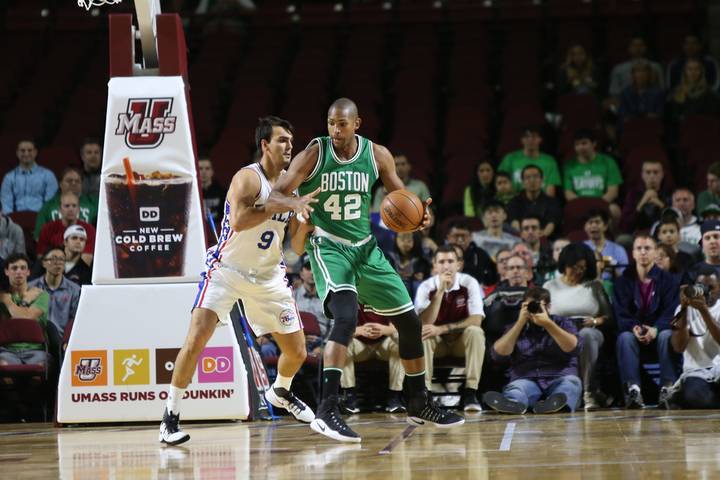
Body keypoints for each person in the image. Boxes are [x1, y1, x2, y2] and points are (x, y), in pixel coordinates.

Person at [268, 98, 464, 443]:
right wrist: (295, 202)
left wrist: (419, 216)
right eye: (330, 123)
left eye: (342, 124)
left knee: (410, 322)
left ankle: (418, 402)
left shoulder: (377, 155)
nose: (335, 130)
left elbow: (400, 196)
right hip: (328, 247)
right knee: (345, 318)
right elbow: (273, 195)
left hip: (366, 249)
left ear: (357, 124)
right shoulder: (315, 152)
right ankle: (328, 410)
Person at [158, 116, 321, 446]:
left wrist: (305, 223)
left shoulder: (294, 188)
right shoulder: (248, 178)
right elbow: (241, 220)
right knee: (196, 338)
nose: (289, 146)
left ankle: (281, 392)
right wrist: (286, 203)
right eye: (282, 141)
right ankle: (170, 417)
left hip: (268, 275)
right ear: (265, 145)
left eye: (291, 141)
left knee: (297, 351)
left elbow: (297, 246)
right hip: (227, 270)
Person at [483, 287, 583, 414]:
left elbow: (574, 348)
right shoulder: (515, 327)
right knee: (516, 389)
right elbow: (497, 355)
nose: (535, 310)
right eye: (530, 306)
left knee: (571, 384)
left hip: (559, 376)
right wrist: (520, 322)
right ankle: (514, 403)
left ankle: (557, 404)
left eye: (539, 306)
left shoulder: (563, 323)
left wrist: (548, 324)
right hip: (526, 377)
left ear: (549, 307)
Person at [415, 245, 486, 412]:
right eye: (441, 262)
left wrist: (442, 329)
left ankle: (470, 392)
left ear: (458, 265)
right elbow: (424, 322)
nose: (446, 266)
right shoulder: (426, 287)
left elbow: (476, 320)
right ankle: (426, 395)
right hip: (437, 344)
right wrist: (440, 292)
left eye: (450, 261)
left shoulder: (469, 283)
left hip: (460, 342)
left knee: (476, 332)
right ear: (434, 266)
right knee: (424, 334)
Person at [544, 243, 614, 410]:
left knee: (587, 336)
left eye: (583, 267)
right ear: (565, 264)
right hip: (559, 332)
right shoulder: (549, 286)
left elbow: (609, 317)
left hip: (590, 331)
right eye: (574, 267)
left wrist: (595, 322)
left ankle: (589, 392)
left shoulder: (594, 286)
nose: (579, 271)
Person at [615, 235, 679, 408]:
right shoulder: (622, 281)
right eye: (639, 248)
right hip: (634, 333)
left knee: (667, 335)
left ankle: (668, 389)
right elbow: (621, 313)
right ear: (633, 254)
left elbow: (672, 311)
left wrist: (655, 329)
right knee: (624, 338)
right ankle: (633, 391)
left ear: (655, 252)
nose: (643, 252)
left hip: (659, 332)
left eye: (647, 248)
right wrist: (634, 327)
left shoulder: (669, 280)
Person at [668, 266, 720, 408]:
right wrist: (684, 309)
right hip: (696, 371)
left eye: (712, 287)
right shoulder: (682, 310)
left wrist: (704, 311)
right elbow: (678, 347)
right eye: (703, 287)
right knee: (695, 396)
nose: (707, 291)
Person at [341, 309, 405, 413]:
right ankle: (349, 397)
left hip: (383, 343)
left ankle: (395, 397)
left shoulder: (386, 297)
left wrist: (384, 330)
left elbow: (398, 327)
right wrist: (359, 330)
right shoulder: (352, 297)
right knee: (343, 347)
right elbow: (341, 329)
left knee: (399, 347)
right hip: (360, 344)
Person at [0, 253, 50, 369]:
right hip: (7, 350)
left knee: (38, 370)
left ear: (28, 272)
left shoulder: (41, 295)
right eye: (14, 268)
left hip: (35, 349)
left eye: (23, 268)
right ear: (6, 271)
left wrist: (9, 303)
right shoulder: (2, 296)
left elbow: (26, 318)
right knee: (4, 371)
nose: (18, 272)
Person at [29, 247, 80, 360]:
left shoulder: (75, 290)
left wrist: (67, 340)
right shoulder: (31, 288)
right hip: (37, 339)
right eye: (53, 259)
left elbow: (75, 320)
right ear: (43, 263)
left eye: (61, 259)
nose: (58, 263)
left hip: (63, 341)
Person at [563, 129, 623, 224]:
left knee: (614, 210)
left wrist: (596, 205)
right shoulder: (569, 165)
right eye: (577, 144)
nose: (581, 147)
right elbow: (568, 194)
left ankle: (613, 237)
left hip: (602, 203)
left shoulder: (608, 162)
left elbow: (613, 192)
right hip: (579, 205)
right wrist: (584, 205)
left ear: (594, 143)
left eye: (584, 143)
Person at [34, 167, 98, 239]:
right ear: (60, 184)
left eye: (77, 181)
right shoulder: (48, 206)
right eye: (69, 181)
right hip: (56, 246)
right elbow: (39, 236)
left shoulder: (92, 203)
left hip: (85, 245)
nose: (73, 183)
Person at [498, 127, 561, 197]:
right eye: (527, 136)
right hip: (513, 202)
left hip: (540, 204)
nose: (530, 140)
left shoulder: (549, 161)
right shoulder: (509, 159)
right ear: (522, 140)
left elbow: (550, 193)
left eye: (534, 136)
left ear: (540, 139)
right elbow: (500, 184)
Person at [36, 192, 96, 265]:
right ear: (60, 209)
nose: (71, 209)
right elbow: (41, 256)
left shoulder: (89, 230)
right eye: (67, 206)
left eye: (74, 206)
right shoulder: (48, 228)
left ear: (78, 209)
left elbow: (87, 259)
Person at [1, 139, 58, 214]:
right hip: (15, 219)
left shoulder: (48, 175)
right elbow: (6, 205)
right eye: (22, 151)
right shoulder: (9, 177)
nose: (26, 153)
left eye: (30, 150)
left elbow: (50, 204)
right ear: (17, 153)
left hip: (41, 218)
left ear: (35, 152)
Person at [506, 165, 562, 238]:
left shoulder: (552, 202)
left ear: (542, 180)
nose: (532, 180)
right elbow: (514, 223)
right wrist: (523, 235)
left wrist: (541, 236)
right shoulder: (514, 202)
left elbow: (551, 224)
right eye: (528, 177)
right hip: (521, 238)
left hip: (544, 239)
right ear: (522, 182)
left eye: (536, 176)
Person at [619, 159, 669, 234]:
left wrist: (660, 204)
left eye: (656, 172)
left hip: (664, 234)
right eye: (648, 172)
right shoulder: (633, 194)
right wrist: (642, 202)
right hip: (638, 234)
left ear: (662, 174)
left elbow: (675, 220)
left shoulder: (669, 193)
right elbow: (625, 226)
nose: (652, 176)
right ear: (642, 175)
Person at [445, 219, 498, 287]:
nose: (460, 239)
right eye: (456, 236)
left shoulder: (481, 255)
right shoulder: (440, 254)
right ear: (448, 237)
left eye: (464, 236)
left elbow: (492, 279)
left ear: (471, 237)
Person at [668, 59, 720, 123]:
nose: (693, 72)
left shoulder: (710, 94)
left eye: (696, 69)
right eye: (689, 69)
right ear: (685, 72)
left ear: (701, 72)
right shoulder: (676, 91)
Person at [617, 61, 665, 126]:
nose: (641, 74)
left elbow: (659, 115)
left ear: (649, 74)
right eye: (637, 71)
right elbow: (623, 115)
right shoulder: (625, 93)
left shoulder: (658, 93)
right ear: (633, 75)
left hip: (651, 127)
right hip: (631, 128)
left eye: (644, 71)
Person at [293, 260, 333, 339]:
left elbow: (334, 325)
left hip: (321, 342)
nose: (312, 272)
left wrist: (324, 345)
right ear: (301, 274)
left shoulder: (329, 298)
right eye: (308, 268)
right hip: (298, 341)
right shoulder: (292, 297)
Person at [583, 209, 628, 279]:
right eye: (590, 222)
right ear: (585, 227)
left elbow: (625, 278)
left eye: (597, 222)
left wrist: (611, 269)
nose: (594, 225)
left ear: (605, 226)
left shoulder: (618, 250)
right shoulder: (580, 249)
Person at [385, 231, 430, 298]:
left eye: (409, 239)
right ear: (396, 239)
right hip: (393, 292)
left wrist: (421, 277)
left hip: (412, 295)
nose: (405, 243)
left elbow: (427, 277)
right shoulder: (389, 258)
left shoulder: (421, 262)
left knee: (417, 284)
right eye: (402, 239)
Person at [198, 157, 228, 227]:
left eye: (207, 168)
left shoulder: (222, 191)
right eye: (200, 168)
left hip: (219, 228)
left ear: (212, 172)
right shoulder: (191, 193)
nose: (204, 172)